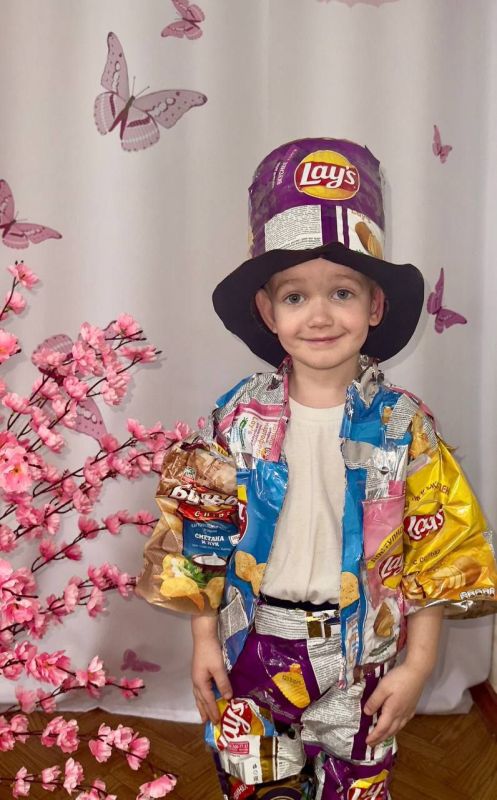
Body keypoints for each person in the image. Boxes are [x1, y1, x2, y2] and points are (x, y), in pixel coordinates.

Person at [136, 137, 497, 800]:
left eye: (342, 292)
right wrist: (203, 641)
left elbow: (438, 555)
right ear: (268, 311)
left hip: (361, 661)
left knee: (356, 787)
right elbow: (199, 537)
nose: (321, 315)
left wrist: (417, 666)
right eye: (296, 297)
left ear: (374, 306)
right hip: (250, 645)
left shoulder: (404, 427)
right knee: (255, 784)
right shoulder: (234, 419)